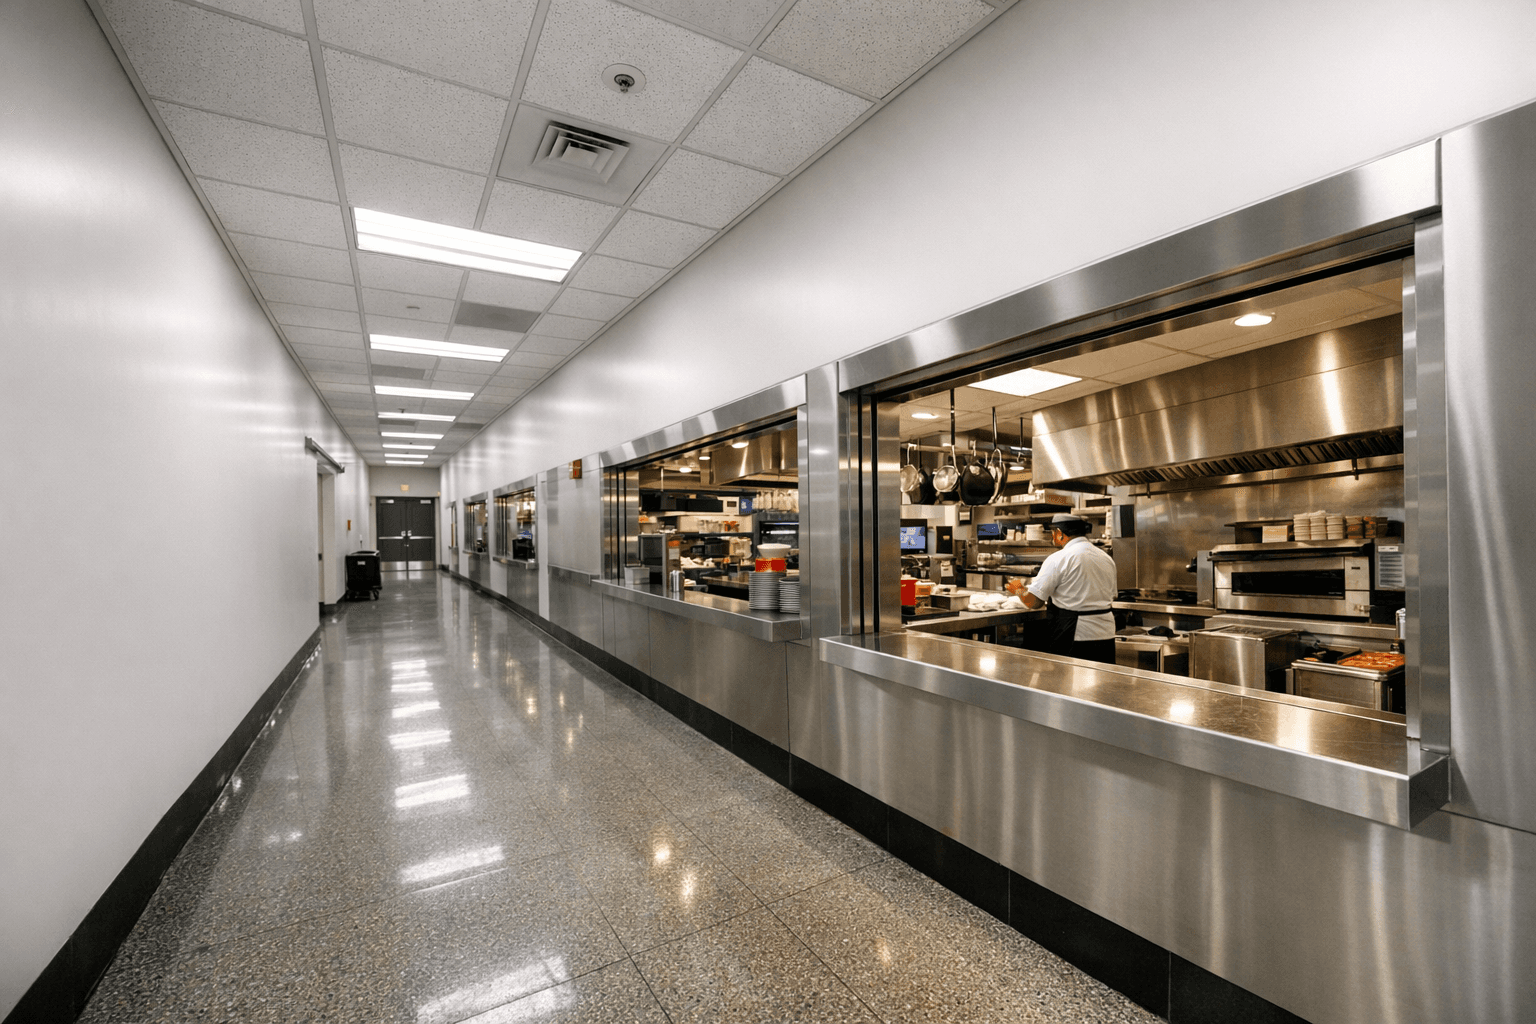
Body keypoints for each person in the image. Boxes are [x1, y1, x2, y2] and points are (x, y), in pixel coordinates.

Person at [1008, 513, 1117, 664]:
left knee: (1070, 683)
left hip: (1075, 634)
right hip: (1106, 633)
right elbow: (1111, 595)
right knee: (1103, 683)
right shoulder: (1105, 558)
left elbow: (1034, 602)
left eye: (1053, 532)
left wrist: (1018, 588)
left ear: (1059, 533)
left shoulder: (1059, 558)